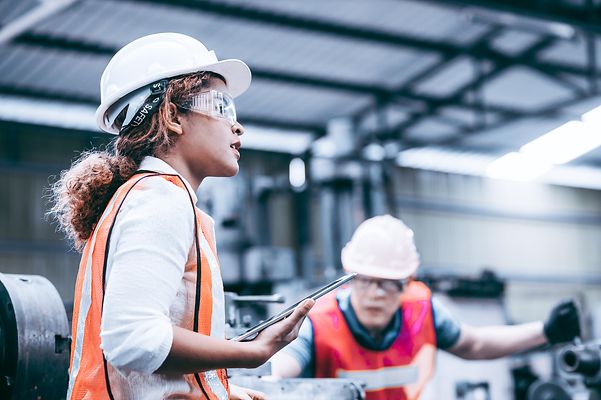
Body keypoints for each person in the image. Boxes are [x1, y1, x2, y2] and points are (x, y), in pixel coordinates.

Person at [49, 32, 314, 400]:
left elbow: (140, 368)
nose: (237, 127)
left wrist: (221, 388)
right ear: (173, 115)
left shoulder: (148, 197)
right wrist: (251, 353)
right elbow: (133, 339)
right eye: (222, 107)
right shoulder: (160, 199)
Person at [270, 215, 580, 400]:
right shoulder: (319, 322)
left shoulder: (423, 313)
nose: (376, 293)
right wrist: (259, 378)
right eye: (366, 280)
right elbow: (282, 367)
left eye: (389, 282)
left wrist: (546, 331)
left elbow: (474, 344)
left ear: (406, 282)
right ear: (350, 278)